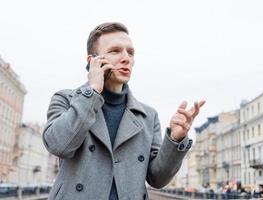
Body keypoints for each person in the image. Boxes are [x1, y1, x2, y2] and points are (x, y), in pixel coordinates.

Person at [42, 22, 205, 200]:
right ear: (92, 61)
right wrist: (92, 91)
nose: (126, 58)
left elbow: (157, 178)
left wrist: (175, 139)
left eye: (130, 52)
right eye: (115, 51)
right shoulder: (66, 99)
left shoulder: (148, 116)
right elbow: (59, 145)